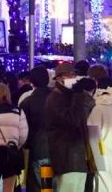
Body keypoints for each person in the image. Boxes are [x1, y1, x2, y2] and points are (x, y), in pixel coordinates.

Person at [45, 63, 96, 192]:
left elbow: (88, 109)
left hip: (77, 157)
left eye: (74, 74)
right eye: (69, 75)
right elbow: (73, 120)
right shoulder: (55, 98)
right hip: (67, 158)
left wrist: (84, 93)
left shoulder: (69, 95)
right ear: (59, 78)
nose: (73, 77)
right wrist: (79, 95)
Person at [19, 67, 52, 192]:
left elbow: (23, 131)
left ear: (31, 82)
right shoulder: (59, 98)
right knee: (52, 186)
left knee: (43, 186)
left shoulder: (27, 102)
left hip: (39, 150)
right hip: (60, 150)